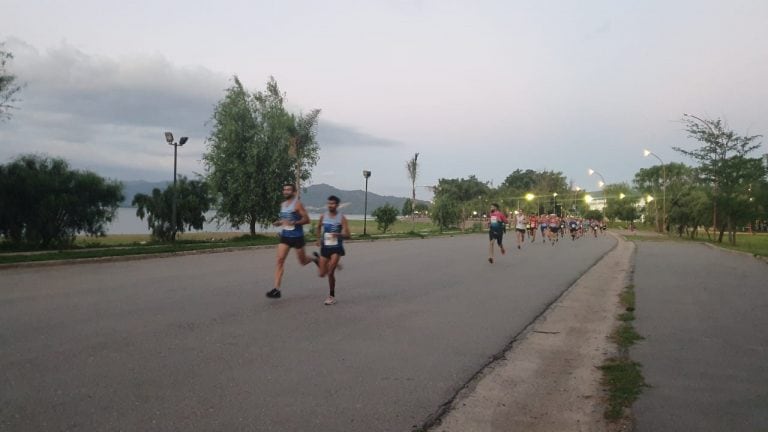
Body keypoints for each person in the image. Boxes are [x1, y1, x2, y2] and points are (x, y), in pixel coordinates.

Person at [266, 184, 315, 299]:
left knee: (302, 262)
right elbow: (285, 219)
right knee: (279, 260)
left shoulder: (297, 204)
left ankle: (314, 258)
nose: (286, 191)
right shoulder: (283, 205)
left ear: (293, 192)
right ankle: (276, 289)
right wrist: (279, 223)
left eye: (288, 190)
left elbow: (307, 219)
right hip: (285, 236)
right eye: (284, 189)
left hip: (297, 237)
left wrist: (295, 223)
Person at [314, 195, 350, 305]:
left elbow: (348, 235)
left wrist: (338, 234)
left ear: (337, 205)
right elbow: (318, 227)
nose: (330, 205)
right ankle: (317, 259)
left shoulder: (341, 218)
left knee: (330, 272)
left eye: (333, 203)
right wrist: (318, 239)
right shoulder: (323, 216)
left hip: (336, 248)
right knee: (321, 274)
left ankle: (331, 296)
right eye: (329, 203)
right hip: (325, 247)